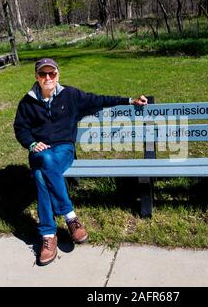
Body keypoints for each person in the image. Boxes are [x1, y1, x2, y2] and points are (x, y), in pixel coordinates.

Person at [14, 58, 148, 266]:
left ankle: (48, 236)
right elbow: (20, 128)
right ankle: (70, 217)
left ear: (58, 75)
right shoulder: (27, 103)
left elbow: (98, 99)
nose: (48, 78)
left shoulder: (71, 95)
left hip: (64, 149)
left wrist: (130, 101)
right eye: (43, 74)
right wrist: (31, 144)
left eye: (52, 73)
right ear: (36, 77)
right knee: (45, 161)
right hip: (39, 152)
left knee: (41, 174)